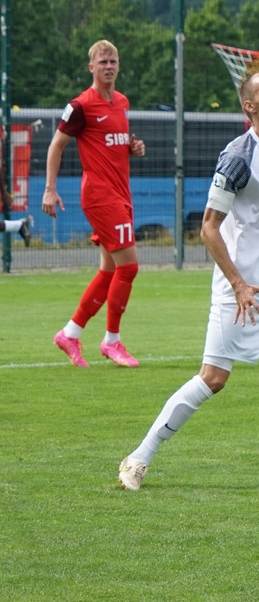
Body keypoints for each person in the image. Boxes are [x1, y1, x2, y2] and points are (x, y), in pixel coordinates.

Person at [117, 71, 259, 491]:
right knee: (213, 379)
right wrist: (239, 284)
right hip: (238, 287)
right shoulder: (238, 157)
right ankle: (137, 459)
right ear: (250, 107)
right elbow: (209, 228)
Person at [43, 40, 146, 368]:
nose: (109, 66)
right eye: (102, 62)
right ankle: (111, 342)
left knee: (109, 270)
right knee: (129, 267)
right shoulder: (80, 106)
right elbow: (56, 146)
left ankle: (69, 334)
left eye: (113, 61)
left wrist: (132, 148)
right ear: (91, 67)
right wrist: (49, 189)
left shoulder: (123, 103)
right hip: (100, 196)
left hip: (121, 193)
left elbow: (113, 145)